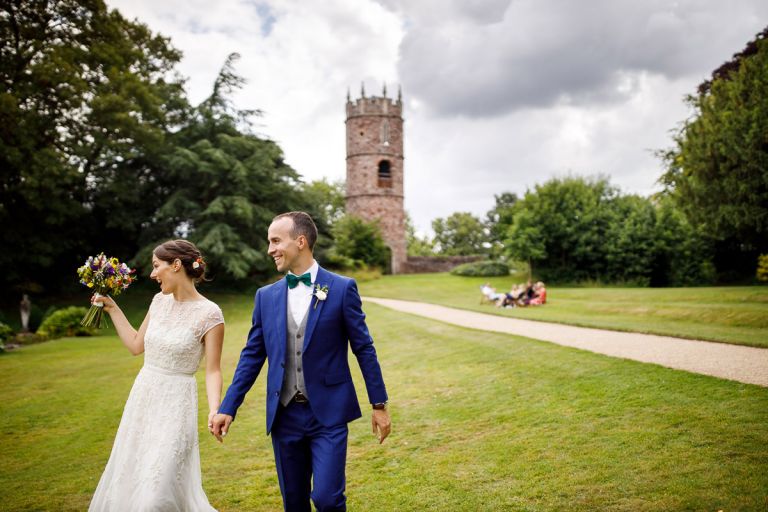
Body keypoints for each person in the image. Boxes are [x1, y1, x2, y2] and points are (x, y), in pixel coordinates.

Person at [211, 211, 391, 512]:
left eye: (276, 241)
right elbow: (252, 356)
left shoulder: (342, 288)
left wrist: (379, 405)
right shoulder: (265, 297)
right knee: (294, 503)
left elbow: (364, 348)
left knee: (327, 499)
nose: (270, 249)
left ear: (301, 241)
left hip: (329, 415)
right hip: (284, 417)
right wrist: (228, 406)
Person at [89, 240, 225, 511]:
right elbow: (136, 345)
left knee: (158, 490)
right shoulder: (158, 302)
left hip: (177, 406)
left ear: (176, 265)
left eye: (155, 266)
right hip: (143, 399)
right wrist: (113, 309)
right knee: (132, 475)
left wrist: (214, 409)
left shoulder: (211, 314)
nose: (151, 274)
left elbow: (213, 370)